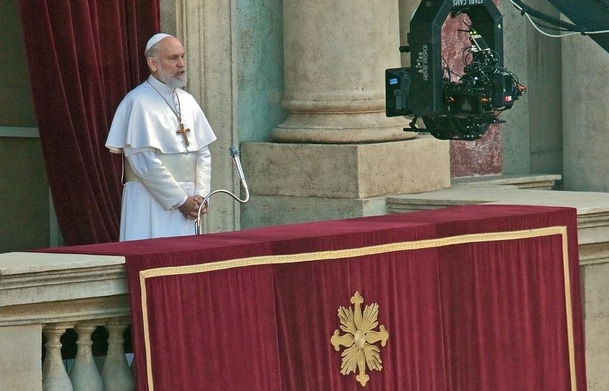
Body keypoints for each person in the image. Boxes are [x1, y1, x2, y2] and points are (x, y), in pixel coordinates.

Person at [106, 33, 217, 241]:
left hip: (190, 204)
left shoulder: (188, 101)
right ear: (153, 63)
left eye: (183, 57)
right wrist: (179, 200)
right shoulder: (137, 102)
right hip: (149, 202)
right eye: (173, 58)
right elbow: (143, 162)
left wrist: (200, 197)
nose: (181, 64)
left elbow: (203, 153)